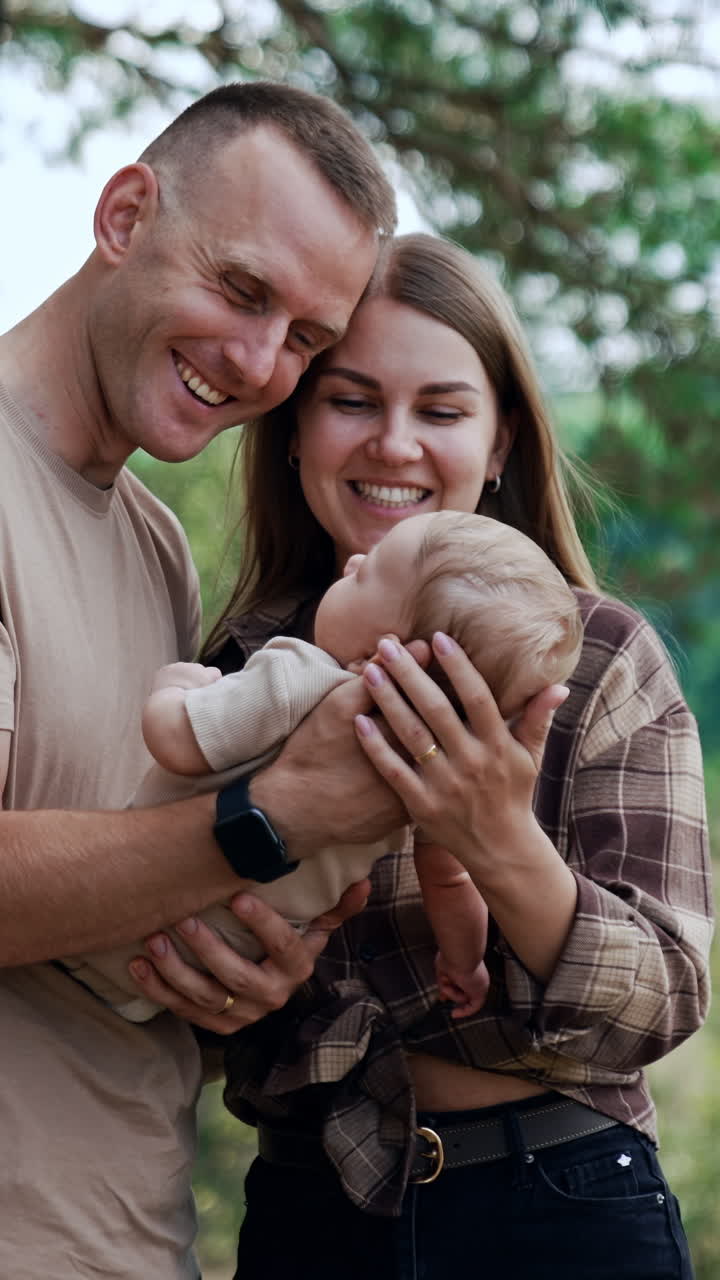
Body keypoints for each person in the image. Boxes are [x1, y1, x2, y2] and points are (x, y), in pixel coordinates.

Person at [188, 232, 710, 1279]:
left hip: (561, 1201)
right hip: (312, 1205)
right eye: (350, 400)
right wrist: (234, 985)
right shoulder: (241, 669)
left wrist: (498, 838)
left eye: (440, 409)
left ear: (502, 441)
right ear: (294, 430)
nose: (394, 443)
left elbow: (663, 999)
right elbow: (169, 1007)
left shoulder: (600, 656)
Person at [0, 80, 404, 1278]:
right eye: (241, 289)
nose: (259, 361)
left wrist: (234, 955)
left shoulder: (155, 540)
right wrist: (262, 825)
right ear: (124, 214)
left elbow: (127, 865)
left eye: (308, 338)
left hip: (136, 1232)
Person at [63, 510, 583, 1023]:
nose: (353, 563)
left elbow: (177, 742)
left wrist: (175, 687)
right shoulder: (435, 781)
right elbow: (448, 879)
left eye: (370, 573)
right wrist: (463, 961)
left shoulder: (298, 675)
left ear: (391, 653)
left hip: (120, 913)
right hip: (223, 962)